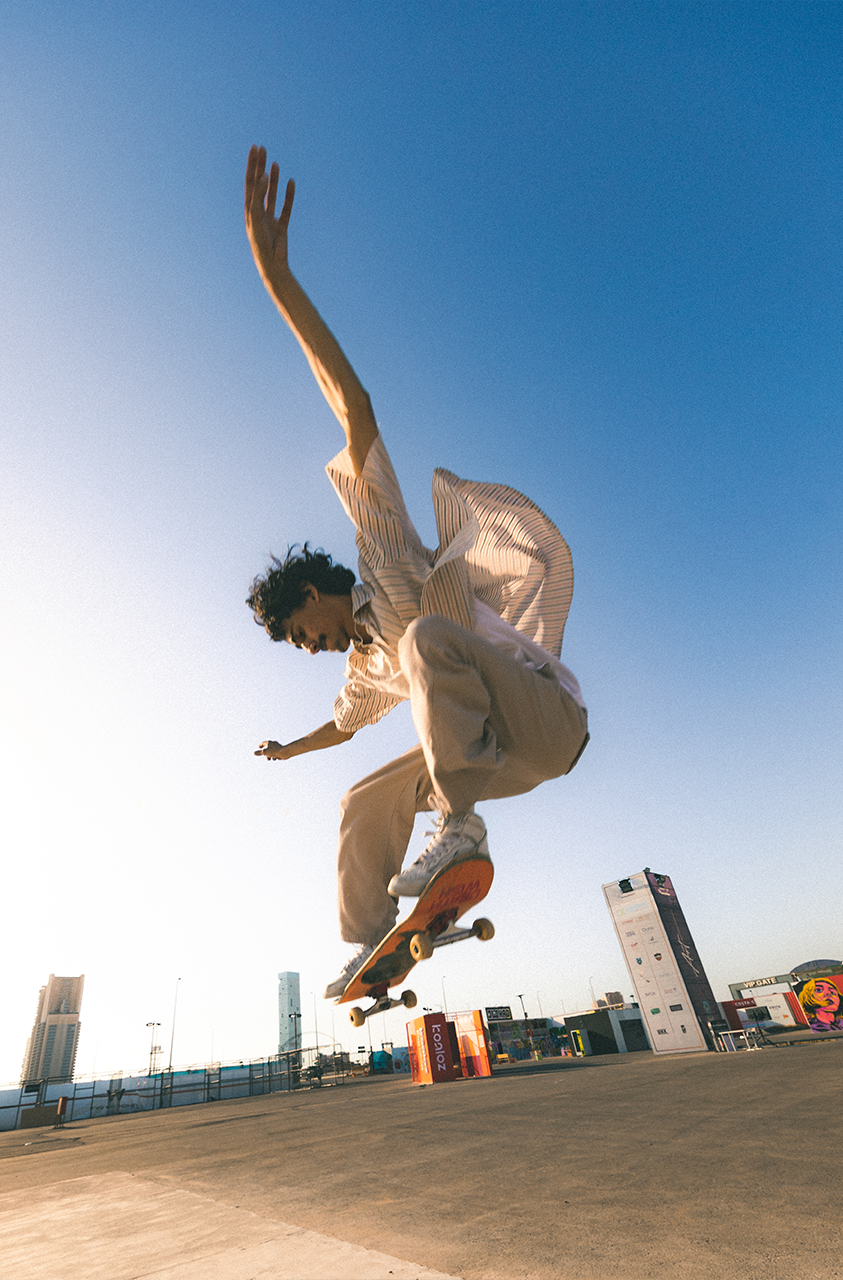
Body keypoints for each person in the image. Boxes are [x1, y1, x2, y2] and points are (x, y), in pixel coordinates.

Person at [243, 146, 590, 999]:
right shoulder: (365, 666)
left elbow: (353, 408)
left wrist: (280, 286)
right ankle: (370, 950)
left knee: (431, 639)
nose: (310, 646)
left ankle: (458, 828)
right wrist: (292, 747)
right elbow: (347, 724)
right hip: (492, 754)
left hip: (548, 719)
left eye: (300, 631)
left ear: (315, 593)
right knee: (362, 798)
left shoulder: (384, 553)